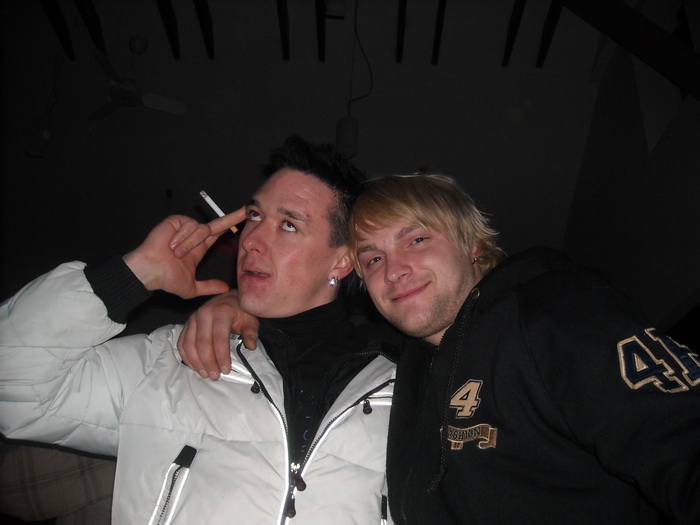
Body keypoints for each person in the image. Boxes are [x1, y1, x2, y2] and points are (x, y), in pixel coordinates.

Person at [182, 173, 700, 524]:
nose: (395, 269)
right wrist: (239, 301)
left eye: (416, 240)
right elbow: (313, 328)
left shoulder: (553, 313)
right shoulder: (400, 367)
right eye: (373, 258)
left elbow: (678, 440)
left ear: (472, 244)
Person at [0, 136, 396, 524]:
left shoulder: (401, 394)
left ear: (341, 262)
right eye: (255, 216)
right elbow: (13, 387)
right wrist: (133, 275)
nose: (252, 240)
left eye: (289, 225)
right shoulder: (176, 360)